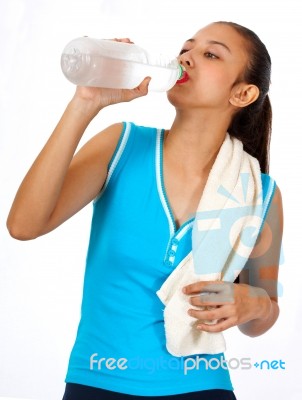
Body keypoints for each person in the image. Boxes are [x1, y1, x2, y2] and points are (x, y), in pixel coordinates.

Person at [7, 21, 283, 400]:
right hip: (97, 381)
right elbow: (23, 225)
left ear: (243, 93)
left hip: (202, 387)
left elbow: (261, 319)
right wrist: (85, 102)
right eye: (186, 48)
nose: (186, 57)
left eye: (210, 54)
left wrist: (254, 304)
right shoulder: (122, 146)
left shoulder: (259, 193)